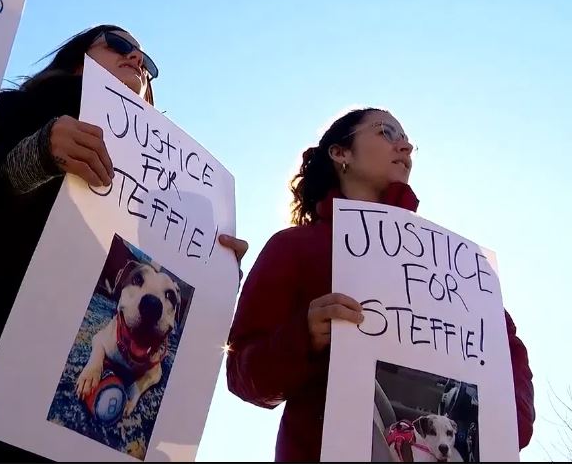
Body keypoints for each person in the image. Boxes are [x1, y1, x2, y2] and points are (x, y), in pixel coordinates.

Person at [0, 24, 249, 462]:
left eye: (147, 62)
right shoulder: (13, 109)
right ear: (78, 59)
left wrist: (217, 269)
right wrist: (39, 153)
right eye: (120, 45)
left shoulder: (173, 190)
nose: (137, 59)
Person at [225, 108, 534, 462]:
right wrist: (303, 336)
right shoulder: (292, 247)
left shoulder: (452, 265)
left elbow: (506, 352)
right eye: (387, 133)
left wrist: (504, 424)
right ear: (341, 153)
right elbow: (241, 374)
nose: (405, 148)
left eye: (408, 141)